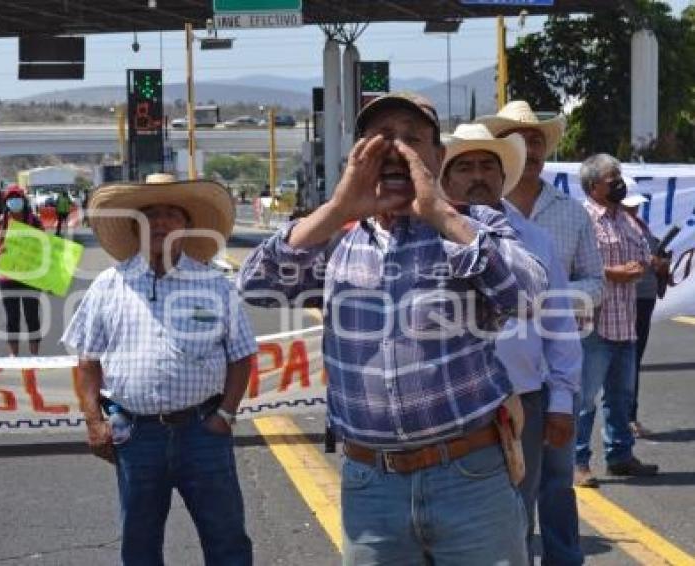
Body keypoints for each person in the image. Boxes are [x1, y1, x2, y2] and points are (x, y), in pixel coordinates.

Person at [238, 92, 547, 565]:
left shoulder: (471, 224)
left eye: (411, 139)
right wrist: (340, 207)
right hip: (371, 485)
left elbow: (529, 296)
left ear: (438, 157)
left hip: (469, 477)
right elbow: (258, 285)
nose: (396, 151)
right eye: (381, 140)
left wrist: (441, 213)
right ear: (359, 157)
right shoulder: (338, 238)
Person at [62, 173, 257, 566]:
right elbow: (87, 363)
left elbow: (242, 356)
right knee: (139, 545)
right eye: (151, 214)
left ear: (186, 227)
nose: (162, 222)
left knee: (227, 541)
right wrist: (93, 421)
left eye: (172, 213)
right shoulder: (107, 286)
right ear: (137, 227)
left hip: (204, 432)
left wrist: (225, 415)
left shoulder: (214, 285)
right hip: (135, 436)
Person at [439, 123, 582, 562]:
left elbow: (559, 323)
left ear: (504, 178)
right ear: (445, 180)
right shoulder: (422, 239)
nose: (477, 176)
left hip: (523, 402)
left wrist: (560, 400)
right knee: (450, 524)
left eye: (488, 166)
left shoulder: (534, 240)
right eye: (464, 167)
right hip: (447, 408)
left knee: (518, 518)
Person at [476, 99, 602, 565]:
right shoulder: (459, 221)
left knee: (554, 481)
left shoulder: (567, 215)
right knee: (502, 502)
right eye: (516, 140)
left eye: (535, 140)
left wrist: (563, 297)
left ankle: (562, 558)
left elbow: (593, 279)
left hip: (552, 371)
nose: (527, 148)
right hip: (495, 385)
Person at [576, 153, 659, 486]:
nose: (619, 184)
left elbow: (641, 254)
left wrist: (644, 265)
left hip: (625, 322)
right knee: (584, 398)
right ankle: (577, 462)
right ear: (593, 185)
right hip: (595, 324)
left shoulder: (625, 219)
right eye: (613, 179)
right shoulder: (583, 219)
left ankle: (620, 456)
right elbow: (577, 266)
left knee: (621, 396)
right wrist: (613, 273)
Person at [621, 192, 669, 438]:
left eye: (637, 206)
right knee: (624, 362)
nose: (635, 210)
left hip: (644, 300)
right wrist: (648, 261)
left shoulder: (643, 228)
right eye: (631, 206)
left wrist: (661, 266)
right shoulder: (615, 228)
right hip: (625, 300)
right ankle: (623, 418)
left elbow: (657, 269)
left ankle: (629, 417)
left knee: (633, 360)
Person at [0, 185, 44, 357]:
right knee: (12, 318)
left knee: (32, 317)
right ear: (6, 202)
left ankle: (35, 355)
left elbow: (45, 245)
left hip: (30, 277)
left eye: (17, 198)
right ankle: (14, 356)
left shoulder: (34, 221)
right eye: (11, 199)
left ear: (23, 200)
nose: (14, 201)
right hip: (7, 277)